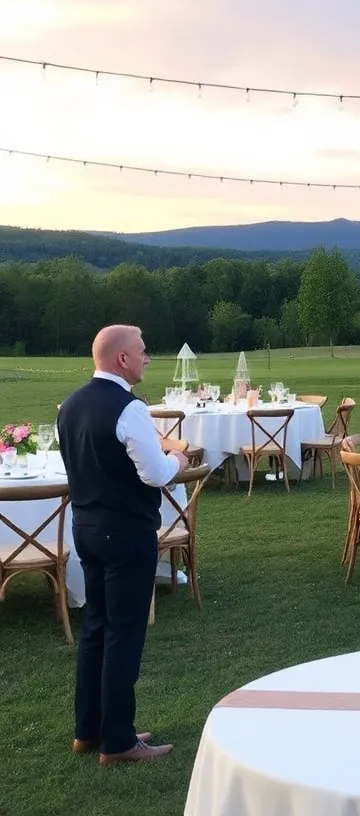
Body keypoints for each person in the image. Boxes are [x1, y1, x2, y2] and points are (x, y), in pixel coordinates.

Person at [57, 325, 188, 766]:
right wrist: (177, 460)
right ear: (122, 359)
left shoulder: (70, 405)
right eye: (142, 351)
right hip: (126, 532)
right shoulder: (129, 408)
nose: (147, 358)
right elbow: (154, 473)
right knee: (124, 634)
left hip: (85, 528)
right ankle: (117, 741)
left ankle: (88, 730)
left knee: (96, 627)